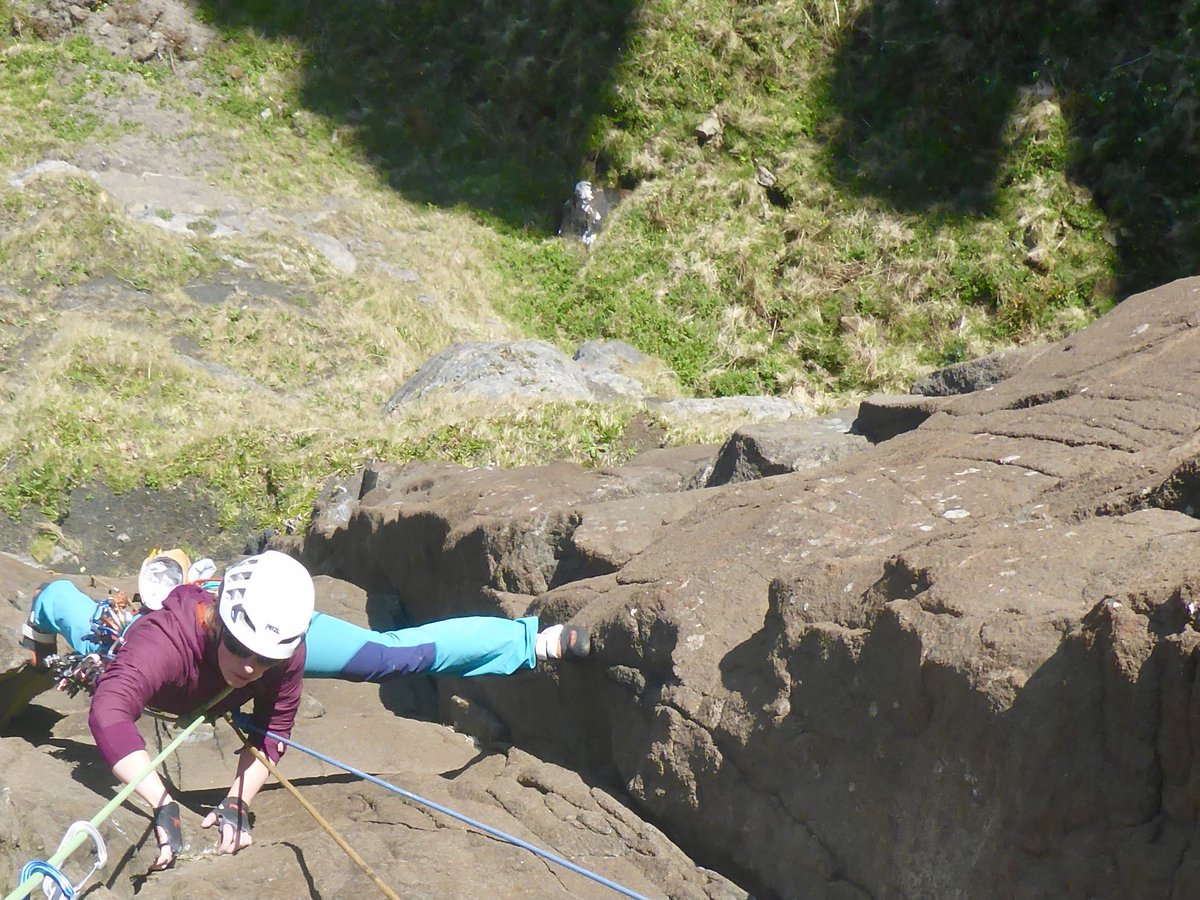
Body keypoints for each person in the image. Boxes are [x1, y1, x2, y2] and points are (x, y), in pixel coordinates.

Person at [22, 550, 591, 683]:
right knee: (93, 623)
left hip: (258, 612)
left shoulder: (283, 633)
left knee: (396, 656)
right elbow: (63, 600)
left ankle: (527, 643)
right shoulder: (141, 638)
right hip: (193, 627)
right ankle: (35, 627)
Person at [86, 550, 315, 870]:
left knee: (386, 658)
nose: (249, 668)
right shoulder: (166, 640)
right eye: (239, 647)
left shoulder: (287, 651)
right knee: (64, 609)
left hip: (241, 665)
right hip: (129, 645)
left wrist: (239, 800)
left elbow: (274, 725)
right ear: (220, 619)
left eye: (264, 658)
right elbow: (108, 710)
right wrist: (162, 802)